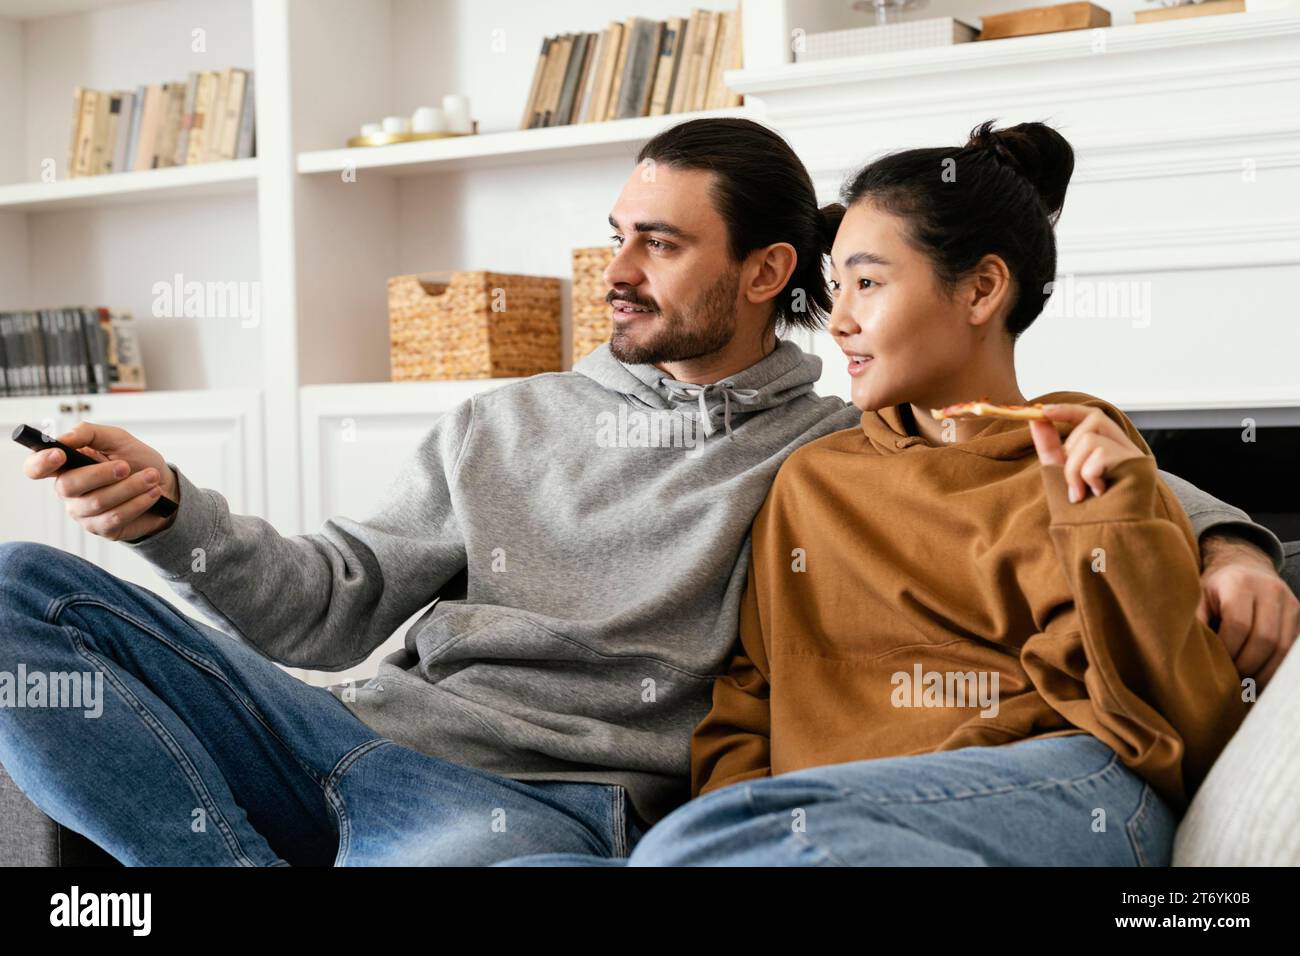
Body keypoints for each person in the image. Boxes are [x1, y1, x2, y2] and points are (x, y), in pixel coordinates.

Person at [0, 120, 1290, 866]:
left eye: (657, 243)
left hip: (530, 804)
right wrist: (175, 512)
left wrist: (1232, 539)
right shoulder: (500, 418)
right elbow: (326, 606)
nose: (611, 269)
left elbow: (1033, 446)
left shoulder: (823, 442)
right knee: (21, 598)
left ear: (760, 268)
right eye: (616, 231)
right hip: (336, 725)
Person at [497, 121, 1298, 867]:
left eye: (868, 283)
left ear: (983, 289)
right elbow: (751, 696)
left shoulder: (1091, 465)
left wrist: (1134, 527)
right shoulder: (814, 474)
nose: (837, 321)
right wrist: (731, 816)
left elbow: (1185, 728)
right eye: (835, 288)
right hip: (815, 822)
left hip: (1067, 783)